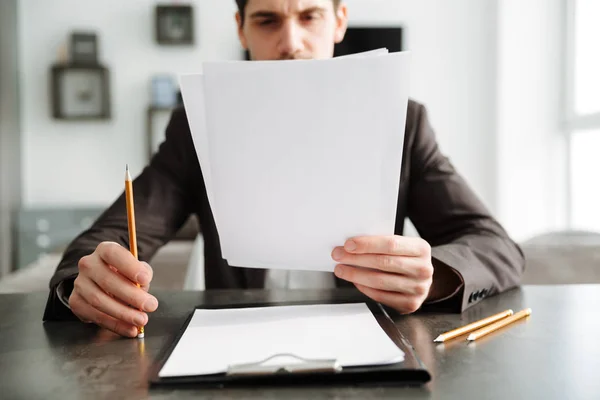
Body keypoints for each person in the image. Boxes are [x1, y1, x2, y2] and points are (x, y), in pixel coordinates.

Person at [43, 0, 525, 338]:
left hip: (366, 345)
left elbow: (496, 246)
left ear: (339, 20)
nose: (290, 42)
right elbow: (100, 242)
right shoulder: (197, 125)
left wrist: (434, 275)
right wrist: (82, 283)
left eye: (309, 15)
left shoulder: (403, 120)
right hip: (236, 348)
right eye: (268, 19)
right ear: (240, 28)